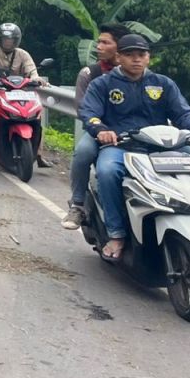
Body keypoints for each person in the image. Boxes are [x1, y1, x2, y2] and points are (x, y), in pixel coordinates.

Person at [79, 34, 190, 261]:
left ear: (148, 57)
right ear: (119, 57)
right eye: (129, 54)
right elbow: (90, 113)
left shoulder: (163, 84)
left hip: (162, 146)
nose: (136, 59)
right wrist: (101, 130)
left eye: (141, 54)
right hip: (121, 145)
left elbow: (183, 113)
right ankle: (116, 234)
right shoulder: (102, 84)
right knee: (107, 172)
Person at [60, 23, 128, 229]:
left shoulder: (139, 74)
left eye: (105, 42)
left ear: (120, 47)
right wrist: (100, 129)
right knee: (83, 152)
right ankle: (78, 205)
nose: (98, 46)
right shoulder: (90, 73)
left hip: (132, 131)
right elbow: (83, 109)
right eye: (99, 42)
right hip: (99, 130)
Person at [0, 22, 43, 167]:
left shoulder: (23, 55)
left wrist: (37, 79)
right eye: (5, 39)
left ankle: (38, 153)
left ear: (16, 40)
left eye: (11, 40)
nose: (8, 42)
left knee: (36, 117)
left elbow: (32, 71)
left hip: (20, 93)